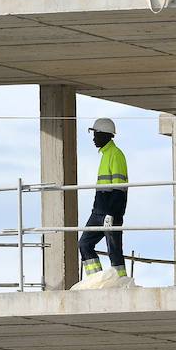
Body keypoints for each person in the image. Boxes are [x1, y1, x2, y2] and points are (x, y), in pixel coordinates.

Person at [72, 117, 133, 289]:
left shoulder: (116, 155)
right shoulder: (106, 155)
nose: (93, 138)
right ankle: (97, 280)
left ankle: (121, 282)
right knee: (85, 243)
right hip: (98, 211)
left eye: (96, 134)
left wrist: (111, 214)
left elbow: (119, 189)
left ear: (105, 135)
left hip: (109, 212)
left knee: (114, 249)